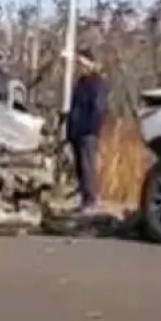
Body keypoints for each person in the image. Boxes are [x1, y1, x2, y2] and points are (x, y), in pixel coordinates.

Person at [65, 48, 107, 212]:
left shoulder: (96, 83)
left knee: (88, 165)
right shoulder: (81, 83)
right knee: (80, 167)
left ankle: (91, 199)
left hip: (88, 131)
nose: (79, 66)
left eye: (82, 63)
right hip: (77, 131)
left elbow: (98, 108)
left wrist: (91, 127)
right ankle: (84, 198)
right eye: (78, 63)